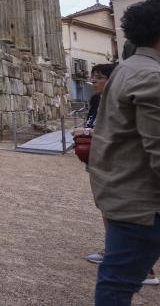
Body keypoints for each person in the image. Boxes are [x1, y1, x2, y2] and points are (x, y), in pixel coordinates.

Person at [89, 0, 160, 304]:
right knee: (116, 285)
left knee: (115, 281)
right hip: (144, 202)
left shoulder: (126, 69)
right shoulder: (150, 76)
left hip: (122, 192)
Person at [74, 63, 116, 265]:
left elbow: (113, 131)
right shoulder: (97, 100)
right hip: (95, 159)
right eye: (93, 77)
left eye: (99, 77)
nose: (94, 81)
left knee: (114, 207)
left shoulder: (117, 101)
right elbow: (91, 123)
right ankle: (113, 248)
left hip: (112, 162)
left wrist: (87, 132)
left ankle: (136, 263)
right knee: (104, 206)